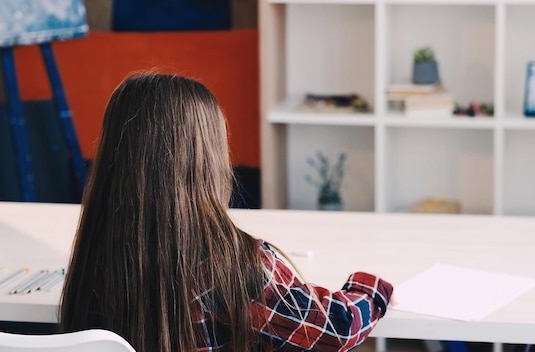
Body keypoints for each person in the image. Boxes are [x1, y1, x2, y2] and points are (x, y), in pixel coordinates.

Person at [59, 72, 393, 352]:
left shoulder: (94, 257)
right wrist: (371, 288)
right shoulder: (235, 267)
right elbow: (337, 328)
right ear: (208, 162)